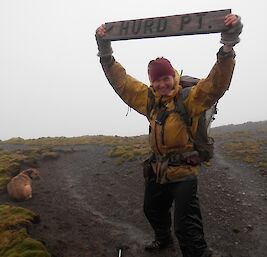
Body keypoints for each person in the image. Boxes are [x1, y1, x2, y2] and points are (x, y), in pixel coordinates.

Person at [95, 13, 243, 257]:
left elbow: (216, 84)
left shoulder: (190, 99)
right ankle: (163, 240)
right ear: (152, 82)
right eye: (157, 80)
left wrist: (227, 47)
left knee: (186, 227)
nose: (162, 84)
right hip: (158, 169)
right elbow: (122, 83)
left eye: (165, 78)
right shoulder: (149, 100)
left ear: (172, 77)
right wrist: (105, 51)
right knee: (152, 209)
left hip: (185, 172)